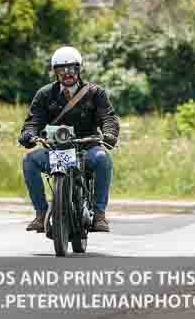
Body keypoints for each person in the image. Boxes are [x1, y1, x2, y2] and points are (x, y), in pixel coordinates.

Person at [17, 46, 120, 233]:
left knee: (103, 159)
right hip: (56, 149)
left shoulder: (96, 93)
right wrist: (28, 135)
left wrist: (110, 133)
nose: (67, 73)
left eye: (72, 68)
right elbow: (34, 120)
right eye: (61, 70)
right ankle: (41, 214)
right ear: (55, 72)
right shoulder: (45, 94)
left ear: (79, 69)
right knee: (29, 160)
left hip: (86, 149)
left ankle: (99, 215)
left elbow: (108, 117)